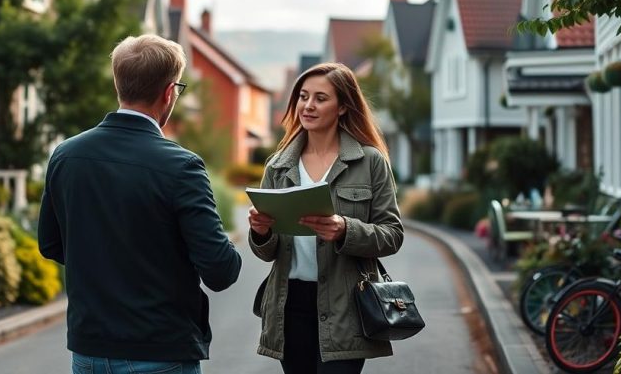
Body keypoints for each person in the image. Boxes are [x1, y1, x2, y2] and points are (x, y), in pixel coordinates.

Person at [39, 34, 242, 374]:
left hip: (88, 351)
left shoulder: (66, 154)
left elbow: (50, 243)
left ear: (118, 83)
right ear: (169, 92)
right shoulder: (183, 166)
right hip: (159, 350)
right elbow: (220, 270)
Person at [248, 62, 404, 374]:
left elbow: (392, 234)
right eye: (304, 96)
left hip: (345, 306)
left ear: (343, 106)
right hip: (289, 306)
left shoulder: (370, 162)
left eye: (321, 98)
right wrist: (261, 233)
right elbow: (267, 253)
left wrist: (346, 229)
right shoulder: (277, 167)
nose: (308, 105)